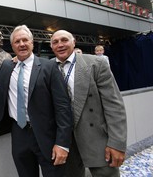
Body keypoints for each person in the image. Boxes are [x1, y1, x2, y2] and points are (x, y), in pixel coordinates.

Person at [0, 25, 73, 177]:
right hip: (19, 135)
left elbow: (63, 108)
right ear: (12, 46)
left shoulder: (49, 67)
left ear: (32, 43)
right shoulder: (7, 67)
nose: (21, 44)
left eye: (25, 40)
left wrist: (62, 143)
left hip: (48, 137)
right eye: (17, 41)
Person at [50, 30, 127, 177]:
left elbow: (114, 106)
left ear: (74, 42)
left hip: (97, 140)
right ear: (52, 47)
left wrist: (117, 143)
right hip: (66, 143)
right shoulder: (47, 68)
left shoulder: (96, 64)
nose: (60, 45)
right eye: (55, 42)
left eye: (64, 40)